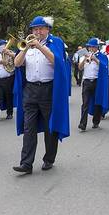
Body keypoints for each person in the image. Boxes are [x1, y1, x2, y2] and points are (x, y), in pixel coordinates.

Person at [12, 16, 70, 174]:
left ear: (47, 29)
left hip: (49, 89)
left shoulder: (55, 42)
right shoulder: (26, 44)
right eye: (34, 29)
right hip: (30, 90)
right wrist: (24, 49)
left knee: (49, 127)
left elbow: (57, 61)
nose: (37, 32)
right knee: (28, 127)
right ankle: (26, 163)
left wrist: (39, 47)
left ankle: (49, 158)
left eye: (40, 28)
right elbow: (17, 64)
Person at [77, 38, 109, 131]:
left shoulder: (102, 56)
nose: (91, 49)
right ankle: (82, 124)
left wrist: (95, 59)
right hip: (86, 82)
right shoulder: (84, 55)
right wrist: (84, 59)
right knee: (85, 103)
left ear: (97, 47)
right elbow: (80, 67)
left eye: (93, 47)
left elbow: (104, 67)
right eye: (90, 47)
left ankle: (96, 122)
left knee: (97, 103)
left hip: (97, 82)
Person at [0, 39, 15, 121]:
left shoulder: (9, 52)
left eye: (5, 45)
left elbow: (14, 64)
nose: (4, 47)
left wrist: (9, 60)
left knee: (9, 96)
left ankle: (9, 113)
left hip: (8, 78)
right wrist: (1, 61)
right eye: (2, 46)